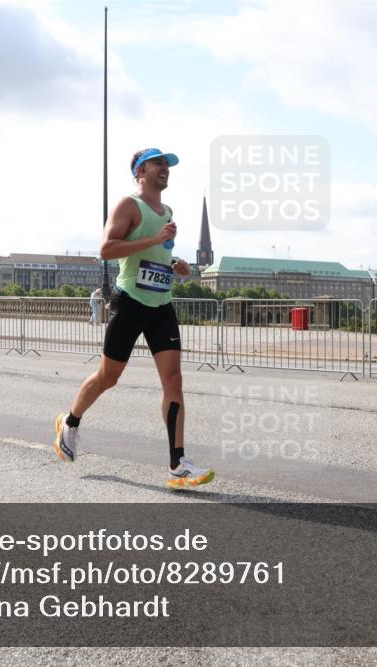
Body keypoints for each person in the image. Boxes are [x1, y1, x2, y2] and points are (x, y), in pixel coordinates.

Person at [54, 148, 214, 489]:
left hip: (161, 305)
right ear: (140, 171)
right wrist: (154, 238)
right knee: (108, 377)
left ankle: (177, 464)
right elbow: (106, 249)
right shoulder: (128, 206)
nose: (165, 168)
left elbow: (155, 255)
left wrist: (176, 265)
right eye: (158, 163)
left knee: (174, 381)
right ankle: (70, 422)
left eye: (167, 164)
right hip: (130, 303)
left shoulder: (167, 211)